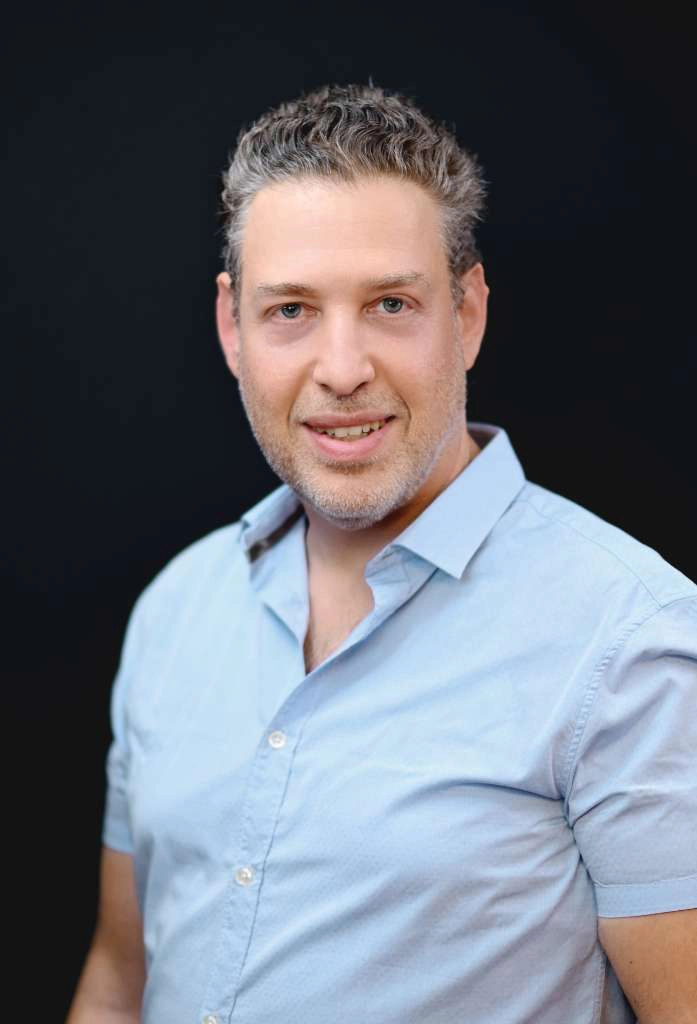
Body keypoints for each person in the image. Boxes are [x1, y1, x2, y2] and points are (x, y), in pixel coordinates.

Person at [67, 83, 697, 1024]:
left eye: (391, 303)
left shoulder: (633, 643)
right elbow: (120, 982)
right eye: (290, 310)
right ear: (231, 327)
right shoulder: (176, 606)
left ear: (467, 313)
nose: (342, 369)